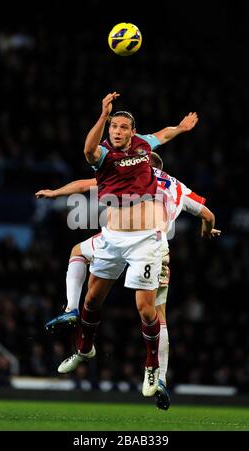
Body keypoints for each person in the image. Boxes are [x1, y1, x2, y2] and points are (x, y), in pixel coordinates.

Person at [39, 92, 199, 398]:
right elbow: (87, 152)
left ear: (132, 131)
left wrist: (180, 128)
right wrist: (102, 114)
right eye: (114, 126)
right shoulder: (102, 157)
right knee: (92, 302)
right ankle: (84, 349)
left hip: (145, 240)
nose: (118, 131)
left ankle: (152, 367)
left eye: (123, 127)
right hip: (112, 238)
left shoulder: (143, 147)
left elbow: (162, 134)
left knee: (145, 309)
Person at [36, 160, 221, 410]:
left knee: (147, 310)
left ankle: (154, 372)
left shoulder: (134, 175)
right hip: (120, 238)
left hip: (150, 246)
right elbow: (207, 214)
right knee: (134, 307)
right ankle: (151, 374)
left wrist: (56, 192)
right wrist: (207, 230)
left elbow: (85, 184)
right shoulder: (178, 187)